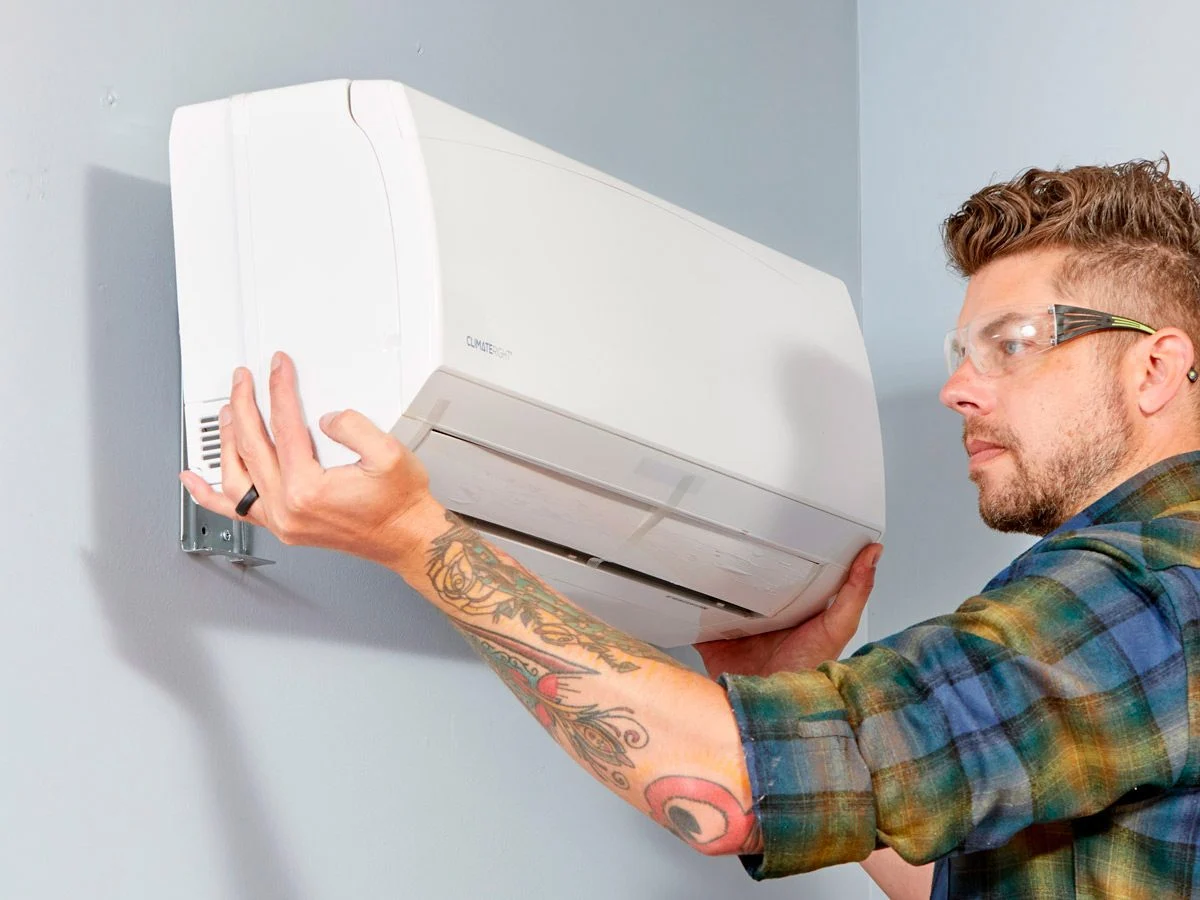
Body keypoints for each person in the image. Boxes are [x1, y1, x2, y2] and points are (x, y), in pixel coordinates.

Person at [182, 156, 1200, 899]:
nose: (956, 390)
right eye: (959, 350)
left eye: (1009, 345)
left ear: (1153, 365)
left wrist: (417, 541)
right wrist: (773, 692)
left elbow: (733, 784)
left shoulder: (1152, 582)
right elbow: (958, 877)